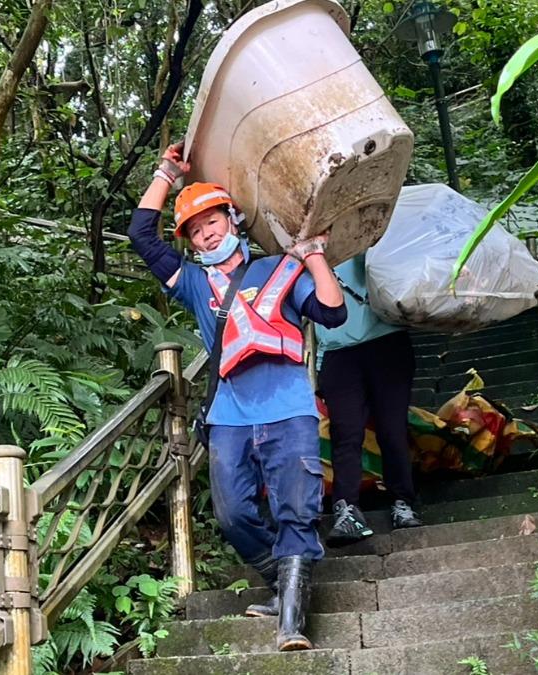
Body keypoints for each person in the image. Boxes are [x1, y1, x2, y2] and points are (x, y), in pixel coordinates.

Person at [128, 141, 346, 651]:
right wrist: (167, 173)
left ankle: (292, 622)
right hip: (230, 412)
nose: (206, 234)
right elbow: (141, 234)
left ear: (233, 218)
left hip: (289, 406)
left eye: (213, 222)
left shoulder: (276, 269)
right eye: (196, 230)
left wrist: (314, 257)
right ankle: (284, 585)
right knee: (232, 513)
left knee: (296, 508)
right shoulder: (192, 283)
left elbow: (333, 314)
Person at [315, 252, 423, 547]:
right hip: (339, 352)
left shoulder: (372, 235)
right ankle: (346, 509)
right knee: (345, 433)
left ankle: (403, 500)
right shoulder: (308, 251)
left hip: (388, 342)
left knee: (392, 429)